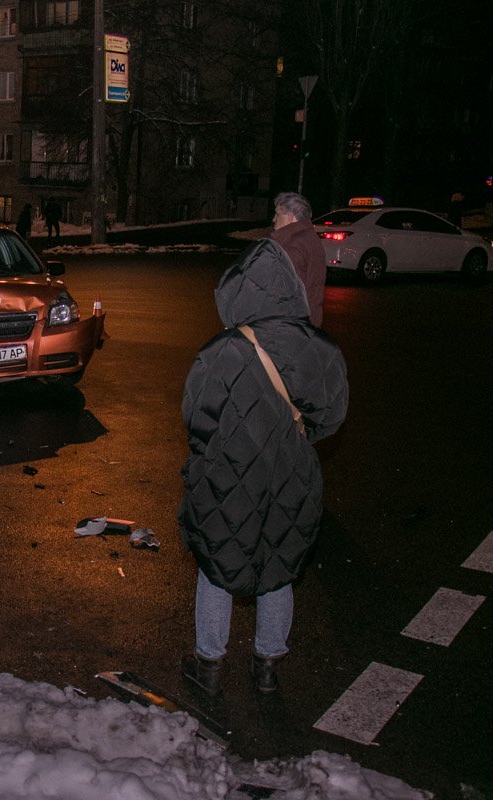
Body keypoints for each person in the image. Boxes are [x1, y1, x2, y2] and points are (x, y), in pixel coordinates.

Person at [178, 238, 348, 696]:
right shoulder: (322, 349)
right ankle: (268, 665)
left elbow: (196, 419)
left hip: (227, 475)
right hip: (291, 471)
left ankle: (209, 665)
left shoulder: (220, 351)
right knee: (279, 562)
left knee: (216, 564)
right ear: (290, 290)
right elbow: (331, 418)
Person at [270, 191, 326, 327]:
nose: (273, 219)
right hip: (308, 320)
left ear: (291, 217)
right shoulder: (309, 237)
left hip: (291, 326)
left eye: (277, 214)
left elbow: (286, 294)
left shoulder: (292, 246)